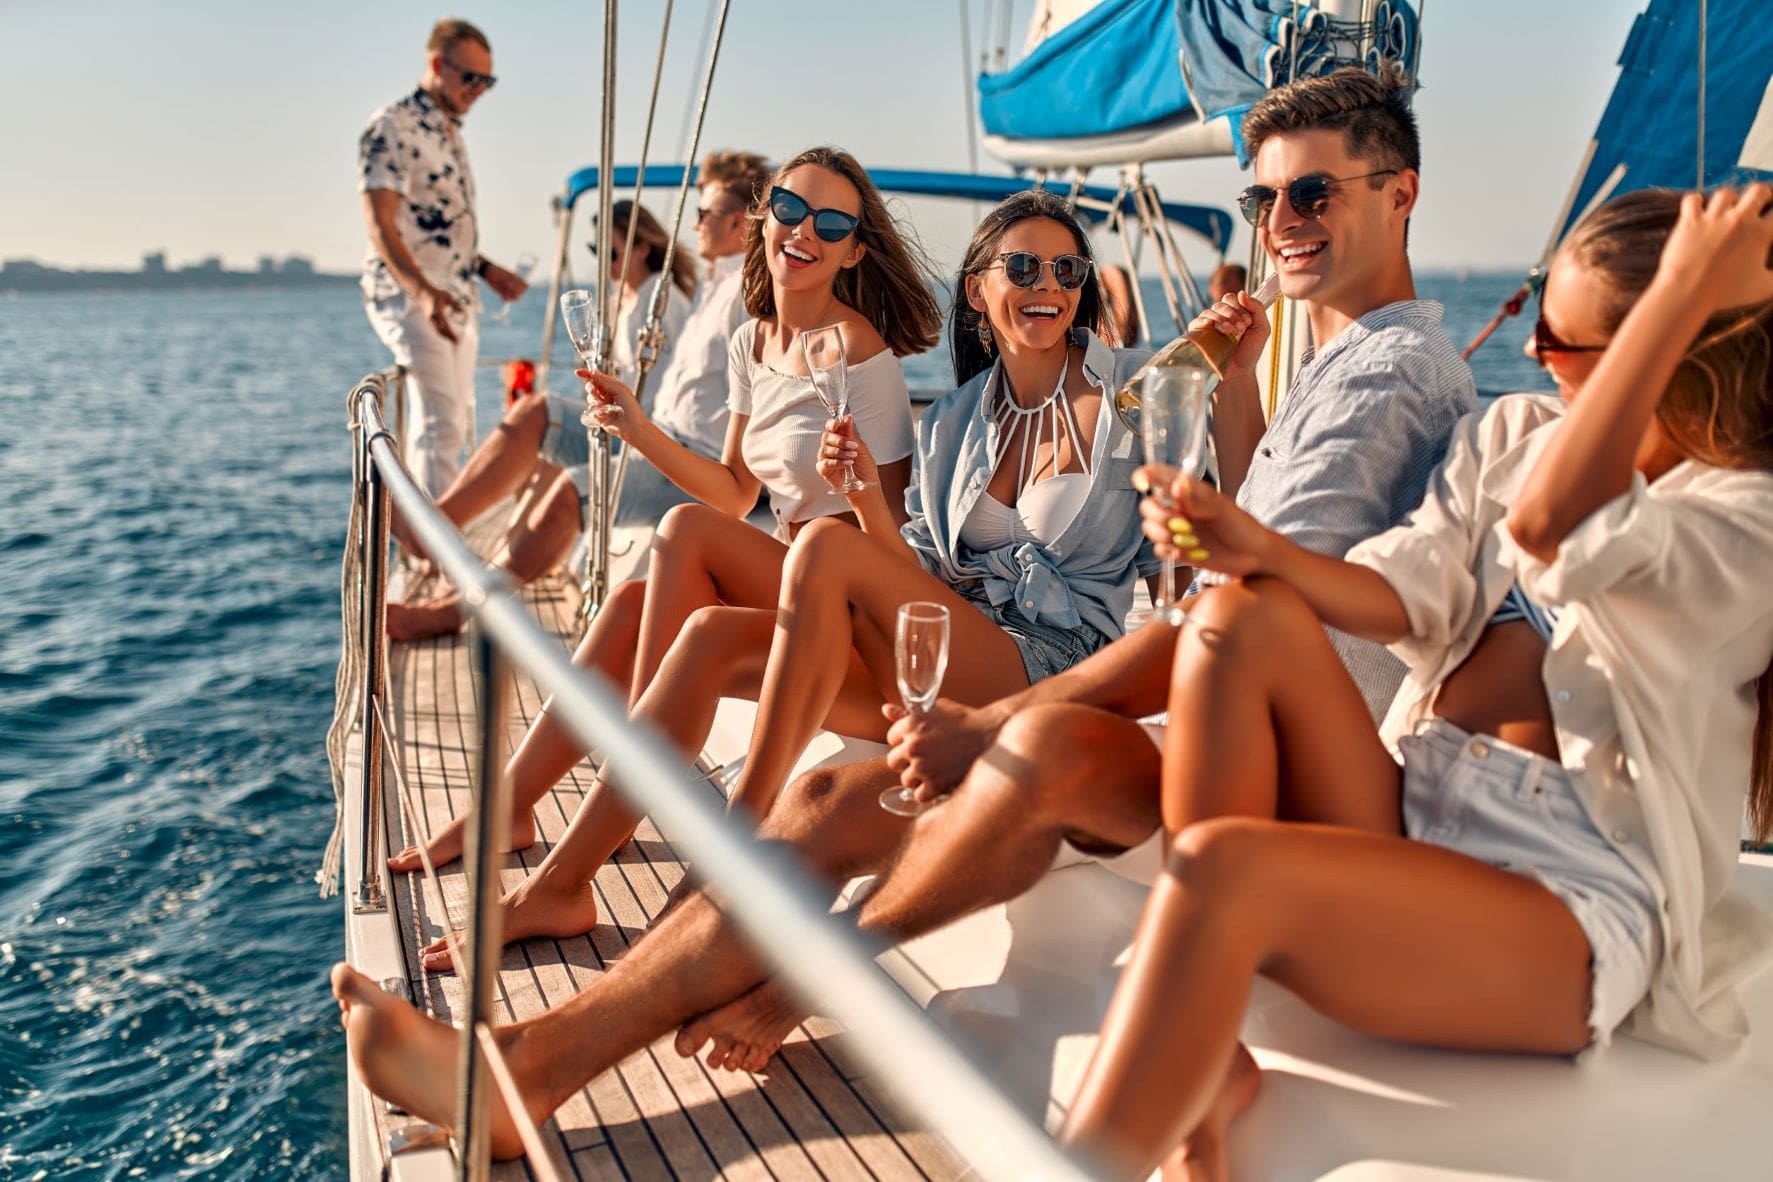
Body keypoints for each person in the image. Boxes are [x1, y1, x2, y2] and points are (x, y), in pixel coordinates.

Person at [1058, 185, 1773, 1179]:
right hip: (1417, 806)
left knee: (1227, 870)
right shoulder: (1522, 429)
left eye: (1565, 344)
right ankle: (1208, 1058)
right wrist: (1255, 547)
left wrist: (1684, 291)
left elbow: (1553, 531)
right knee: (1236, 615)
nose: (1540, 358)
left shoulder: (1745, 519)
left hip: (1562, 905)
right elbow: (1412, 583)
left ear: (1665, 352)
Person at [407, 188, 1164, 972]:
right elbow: (919, 581)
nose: (1048, 284)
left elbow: (1205, 528)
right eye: (1024, 266)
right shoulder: (957, 418)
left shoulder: (1133, 396)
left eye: (1067, 270)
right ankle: (562, 881)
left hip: (1047, 669)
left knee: (819, 553)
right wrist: (868, 495)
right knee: (701, 617)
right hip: (948, 652)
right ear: (977, 288)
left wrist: (1234, 380)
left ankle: (722, 873)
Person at [386, 145, 941, 880]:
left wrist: (863, 486)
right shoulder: (753, 339)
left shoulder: (860, 352)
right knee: (629, 604)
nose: (803, 231)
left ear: (853, 251)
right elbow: (738, 492)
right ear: (763, 218)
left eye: (831, 222)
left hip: (855, 622)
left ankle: (626, 787)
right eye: (789, 209)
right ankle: (512, 807)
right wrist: (637, 428)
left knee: (679, 531)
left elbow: (898, 551)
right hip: (795, 588)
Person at [385, 151, 770, 639]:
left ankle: (458, 611)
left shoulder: (744, 298)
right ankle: (434, 530)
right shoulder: (714, 288)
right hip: (657, 435)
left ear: (737, 222)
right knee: (537, 411)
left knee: (570, 489)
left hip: (692, 460)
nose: (692, 225)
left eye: (702, 214)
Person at [358, 18, 528, 497]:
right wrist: (425, 294)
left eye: (486, 81)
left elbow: (436, 226)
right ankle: (438, 552)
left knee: (448, 417)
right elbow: (381, 225)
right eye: (469, 77)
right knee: (441, 425)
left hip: (454, 295)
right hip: (412, 298)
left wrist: (487, 270)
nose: (478, 89)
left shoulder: (447, 130)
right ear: (437, 65)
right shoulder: (392, 127)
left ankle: (428, 535)